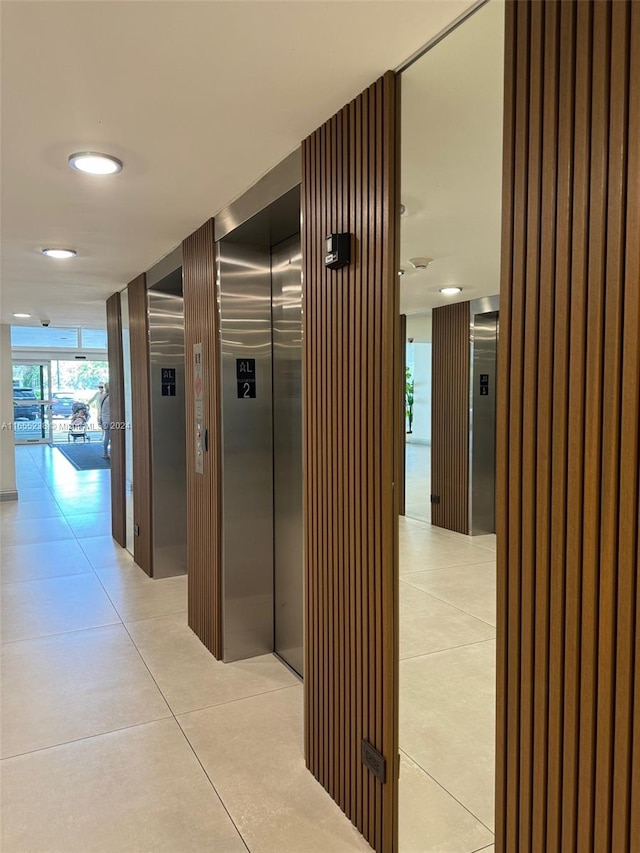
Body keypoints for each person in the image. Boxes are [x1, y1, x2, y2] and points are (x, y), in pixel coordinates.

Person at [99, 383, 111, 459]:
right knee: (113, 436)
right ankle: (112, 453)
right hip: (111, 419)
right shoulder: (111, 397)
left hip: (104, 418)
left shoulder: (102, 396)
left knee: (106, 435)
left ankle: (105, 453)